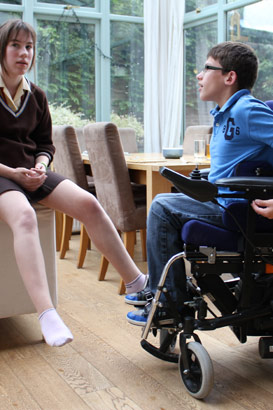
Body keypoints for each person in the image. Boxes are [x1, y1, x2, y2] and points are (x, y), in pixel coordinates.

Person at [0, 19, 147, 346]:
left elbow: (44, 144)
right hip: (2, 175)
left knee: (90, 204)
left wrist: (40, 165)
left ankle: (138, 285)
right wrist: (13, 174)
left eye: (29, 47)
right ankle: (46, 313)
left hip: (29, 172)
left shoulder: (35, 95)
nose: (24, 53)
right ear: (2, 49)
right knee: (24, 216)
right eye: (16, 45)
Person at [126, 41, 273, 326]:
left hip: (239, 209)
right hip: (225, 202)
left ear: (229, 77)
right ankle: (165, 296)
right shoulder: (224, 114)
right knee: (165, 203)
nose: (199, 75)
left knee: (161, 207)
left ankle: (167, 303)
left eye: (207, 68)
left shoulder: (246, 110)